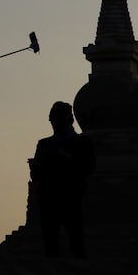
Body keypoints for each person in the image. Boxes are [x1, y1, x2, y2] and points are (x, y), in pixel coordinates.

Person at [30, 101, 96, 258]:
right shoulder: (44, 145)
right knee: (50, 246)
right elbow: (36, 174)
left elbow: (88, 168)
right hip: (49, 199)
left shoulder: (82, 143)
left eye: (60, 121)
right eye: (54, 121)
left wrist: (69, 160)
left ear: (70, 121)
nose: (56, 126)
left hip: (72, 199)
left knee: (76, 244)